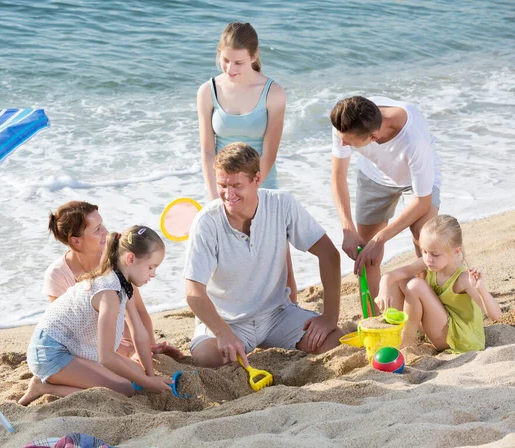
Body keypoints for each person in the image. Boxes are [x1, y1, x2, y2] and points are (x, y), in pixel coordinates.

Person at [184, 142, 344, 368]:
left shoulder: (282, 204)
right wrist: (222, 333)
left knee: (334, 341)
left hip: (277, 315)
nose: (228, 194)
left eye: (236, 185)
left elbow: (329, 254)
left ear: (256, 179)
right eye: (222, 185)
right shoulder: (206, 222)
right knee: (207, 356)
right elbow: (193, 292)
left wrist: (329, 317)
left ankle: (272, 339)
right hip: (228, 321)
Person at [197, 21, 298, 302]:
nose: (230, 69)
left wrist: (249, 189)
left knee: (277, 252)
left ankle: (289, 310)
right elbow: (207, 150)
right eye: (225, 60)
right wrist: (216, 192)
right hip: (223, 185)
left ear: (254, 56)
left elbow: (269, 151)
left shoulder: (273, 92)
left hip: (261, 180)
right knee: (228, 255)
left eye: (238, 62)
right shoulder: (208, 91)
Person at [18, 226, 172, 406]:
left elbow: (138, 331)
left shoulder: (123, 283)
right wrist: (148, 383)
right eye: (151, 267)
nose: (153, 274)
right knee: (125, 389)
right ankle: (44, 387)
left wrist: (149, 376)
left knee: (137, 373)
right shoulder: (108, 293)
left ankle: (59, 379)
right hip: (50, 352)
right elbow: (106, 357)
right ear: (130, 259)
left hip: (71, 347)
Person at [330, 95, 442, 301]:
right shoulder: (347, 123)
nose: (342, 142)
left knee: (426, 242)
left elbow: (422, 201)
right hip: (374, 178)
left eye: (349, 142)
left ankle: (428, 307)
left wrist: (380, 239)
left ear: (374, 138)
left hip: (416, 181)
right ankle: (374, 319)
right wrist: (348, 228)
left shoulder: (414, 141)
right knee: (365, 254)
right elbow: (338, 176)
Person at [43, 200, 181, 359]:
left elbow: (138, 311)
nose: (106, 232)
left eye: (102, 225)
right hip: (85, 347)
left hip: (120, 341)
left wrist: (150, 349)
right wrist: (128, 350)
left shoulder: (114, 261)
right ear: (76, 241)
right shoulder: (57, 275)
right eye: (97, 230)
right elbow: (70, 334)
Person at [375, 215, 501, 352]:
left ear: (456, 251)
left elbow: (496, 316)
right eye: (424, 251)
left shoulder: (463, 279)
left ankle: (405, 342)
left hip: (458, 339)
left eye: (435, 254)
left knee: (416, 286)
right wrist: (384, 290)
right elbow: (391, 275)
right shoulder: (428, 263)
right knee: (399, 280)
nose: (428, 259)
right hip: (437, 326)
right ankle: (396, 329)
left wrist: (480, 289)